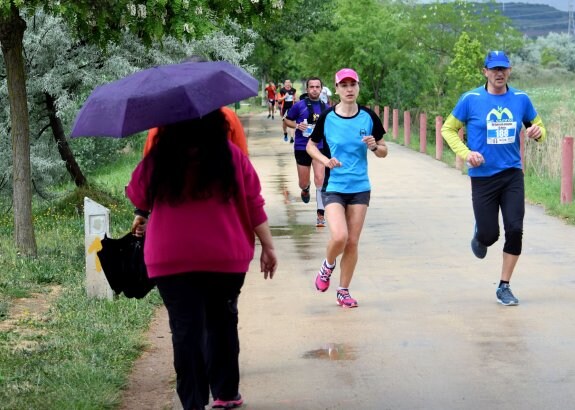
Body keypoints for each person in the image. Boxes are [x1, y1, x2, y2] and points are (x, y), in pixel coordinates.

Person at [126, 109, 278, 410]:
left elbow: (137, 195)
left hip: (170, 258)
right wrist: (268, 246)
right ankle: (225, 394)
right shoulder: (231, 155)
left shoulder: (158, 157)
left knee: (185, 331)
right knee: (222, 322)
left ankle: (193, 403)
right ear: (215, 121)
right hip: (224, 256)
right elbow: (253, 202)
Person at [441, 50, 546, 306]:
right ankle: (481, 233)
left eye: (503, 69)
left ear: (509, 71)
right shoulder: (471, 99)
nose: (499, 73)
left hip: (512, 175)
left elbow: (540, 128)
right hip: (483, 177)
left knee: (515, 229)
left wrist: (536, 132)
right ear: (485, 71)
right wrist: (466, 154)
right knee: (490, 236)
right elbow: (448, 128)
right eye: (494, 69)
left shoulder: (521, 99)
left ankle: (504, 286)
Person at [306, 68, 387, 308]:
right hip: (334, 186)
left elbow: (383, 151)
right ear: (337, 89)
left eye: (353, 84)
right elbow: (311, 146)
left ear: (358, 87)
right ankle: (327, 266)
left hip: (360, 187)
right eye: (344, 85)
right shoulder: (327, 117)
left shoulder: (369, 117)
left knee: (352, 242)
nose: (349, 89)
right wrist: (324, 160)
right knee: (339, 236)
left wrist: (374, 146)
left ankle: (343, 291)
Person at [284, 76, 330, 227]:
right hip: (302, 147)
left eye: (317, 87)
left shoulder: (326, 107)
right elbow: (287, 120)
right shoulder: (299, 106)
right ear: (307, 89)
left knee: (320, 179)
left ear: (321, 89)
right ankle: (305, 189)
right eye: (312, 87)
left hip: (319, 147)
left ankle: (320, 215)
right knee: (303, 182)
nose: (315, 89)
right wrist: (297, 125)